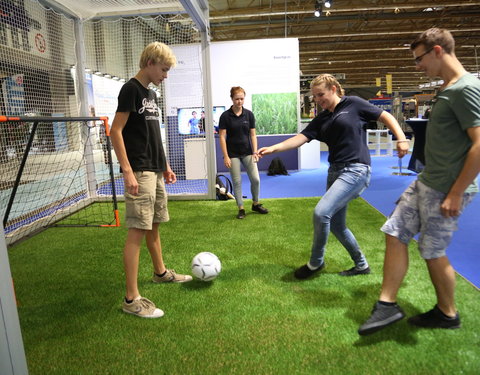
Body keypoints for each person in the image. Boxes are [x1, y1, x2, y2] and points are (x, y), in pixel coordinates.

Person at [358, 28, 480, 335]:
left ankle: (447, 313)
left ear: (438, 51)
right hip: (427, 181)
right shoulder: (449, 87)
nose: (417, 66)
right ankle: (387, 305)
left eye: (419, 58)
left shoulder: (466, 88)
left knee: (432, 250)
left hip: (446, 188)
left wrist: (455, 193)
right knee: (394, 231)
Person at [258, 74, 409, 279]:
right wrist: (273, 148)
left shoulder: (353, 104)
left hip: (356, 170)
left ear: (333, 89)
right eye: (315, 97)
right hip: (335, 171)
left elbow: (386, 116)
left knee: (321, 213)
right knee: (337, 225)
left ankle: (315, 263)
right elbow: (299, 139)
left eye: (321, 95)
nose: (318, 100)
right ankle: (362, 265)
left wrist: (400, 138)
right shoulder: (321, 119)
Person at [110, 41, 192, 319]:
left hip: (155, 169)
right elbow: (115, 131)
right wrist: (127, 170)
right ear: (150, 63)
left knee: (153, 224)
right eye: (164, 69)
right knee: (137, 229)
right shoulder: (130, 89)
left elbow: (153, 134)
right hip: (139, 170)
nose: (165, 75)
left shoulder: (152, 95)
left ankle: (160, 273)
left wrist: (165, 165)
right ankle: (131, 299)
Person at [218, 86, 269, 219]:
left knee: (256, 180)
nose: (239, 101)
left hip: (247, 152)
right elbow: (222, 137)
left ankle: (256, 203)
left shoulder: (249, 114)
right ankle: (241, 208)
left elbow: (253, 134)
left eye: (241, 99)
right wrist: (226, 156)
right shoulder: (225, 116)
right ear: (232, 99)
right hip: (232, 154)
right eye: (237, 99)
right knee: (237, 181)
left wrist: (255, 152)